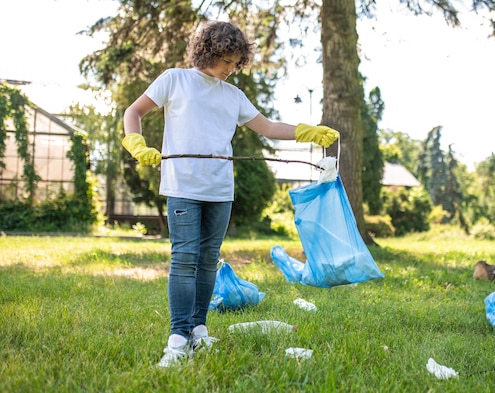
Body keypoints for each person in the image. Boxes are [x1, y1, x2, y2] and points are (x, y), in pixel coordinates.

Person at [122, 20, 339, 367]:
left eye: (235, 63)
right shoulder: (174, 79)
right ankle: (177, 339)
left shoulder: (233, 95)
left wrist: (305, 131)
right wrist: (135, 143)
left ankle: (198, 331)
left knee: (209, 259)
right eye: (226, 60)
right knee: (184, 258)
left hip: (220, 189)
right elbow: (133, 112)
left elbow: (267, 127)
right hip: (183, 185)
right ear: (208, 51)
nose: (230, 69)